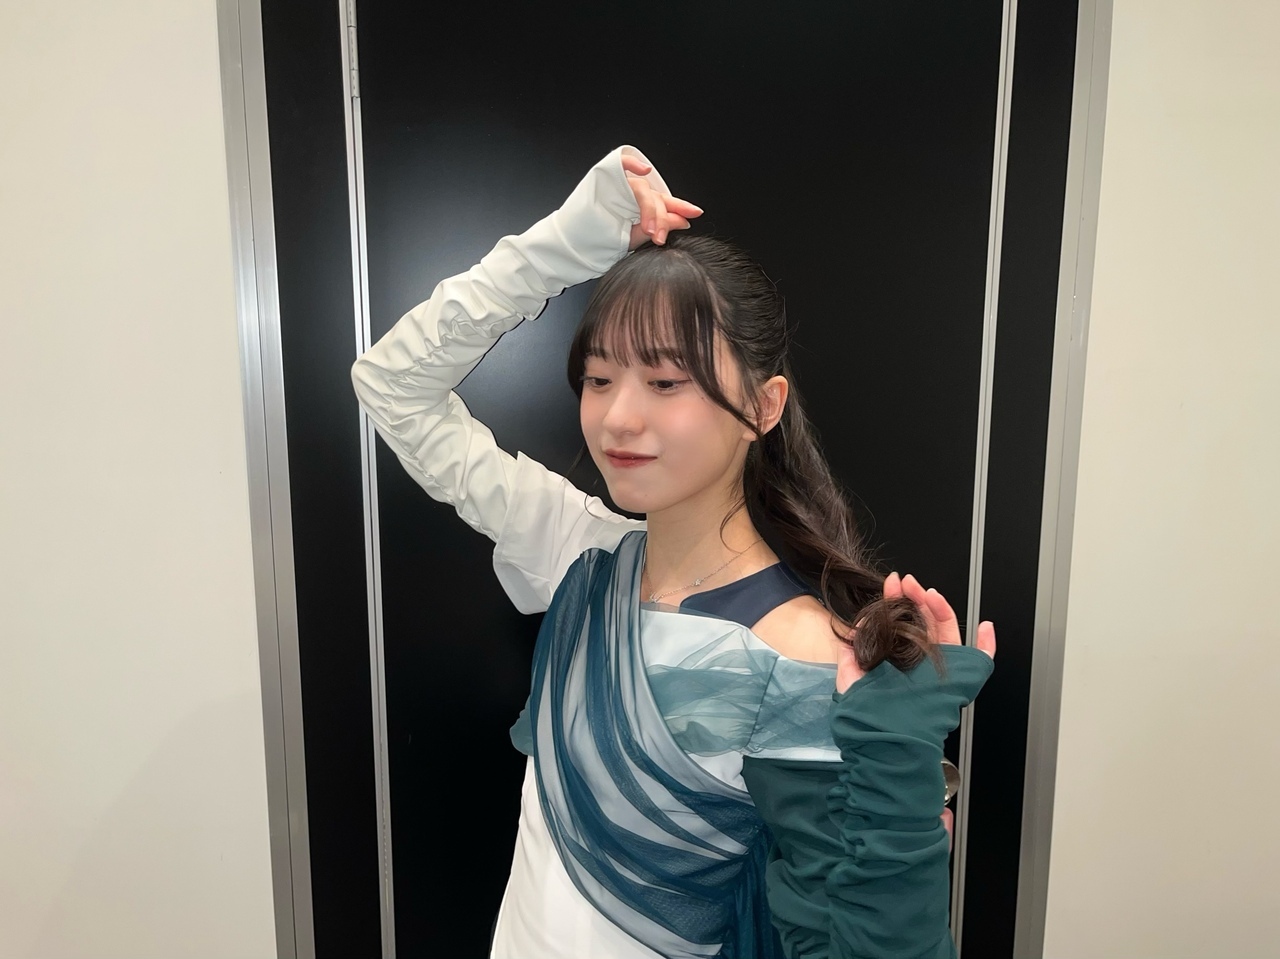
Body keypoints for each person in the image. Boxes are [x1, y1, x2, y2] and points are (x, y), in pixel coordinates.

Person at [351, 145, 997, 959]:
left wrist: (892, 783)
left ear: (763, 406)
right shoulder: (580, 555)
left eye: (664, 382)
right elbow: (391, 384)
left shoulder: (803, 654)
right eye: (598, 377)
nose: (619, 418)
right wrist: (565, 245)